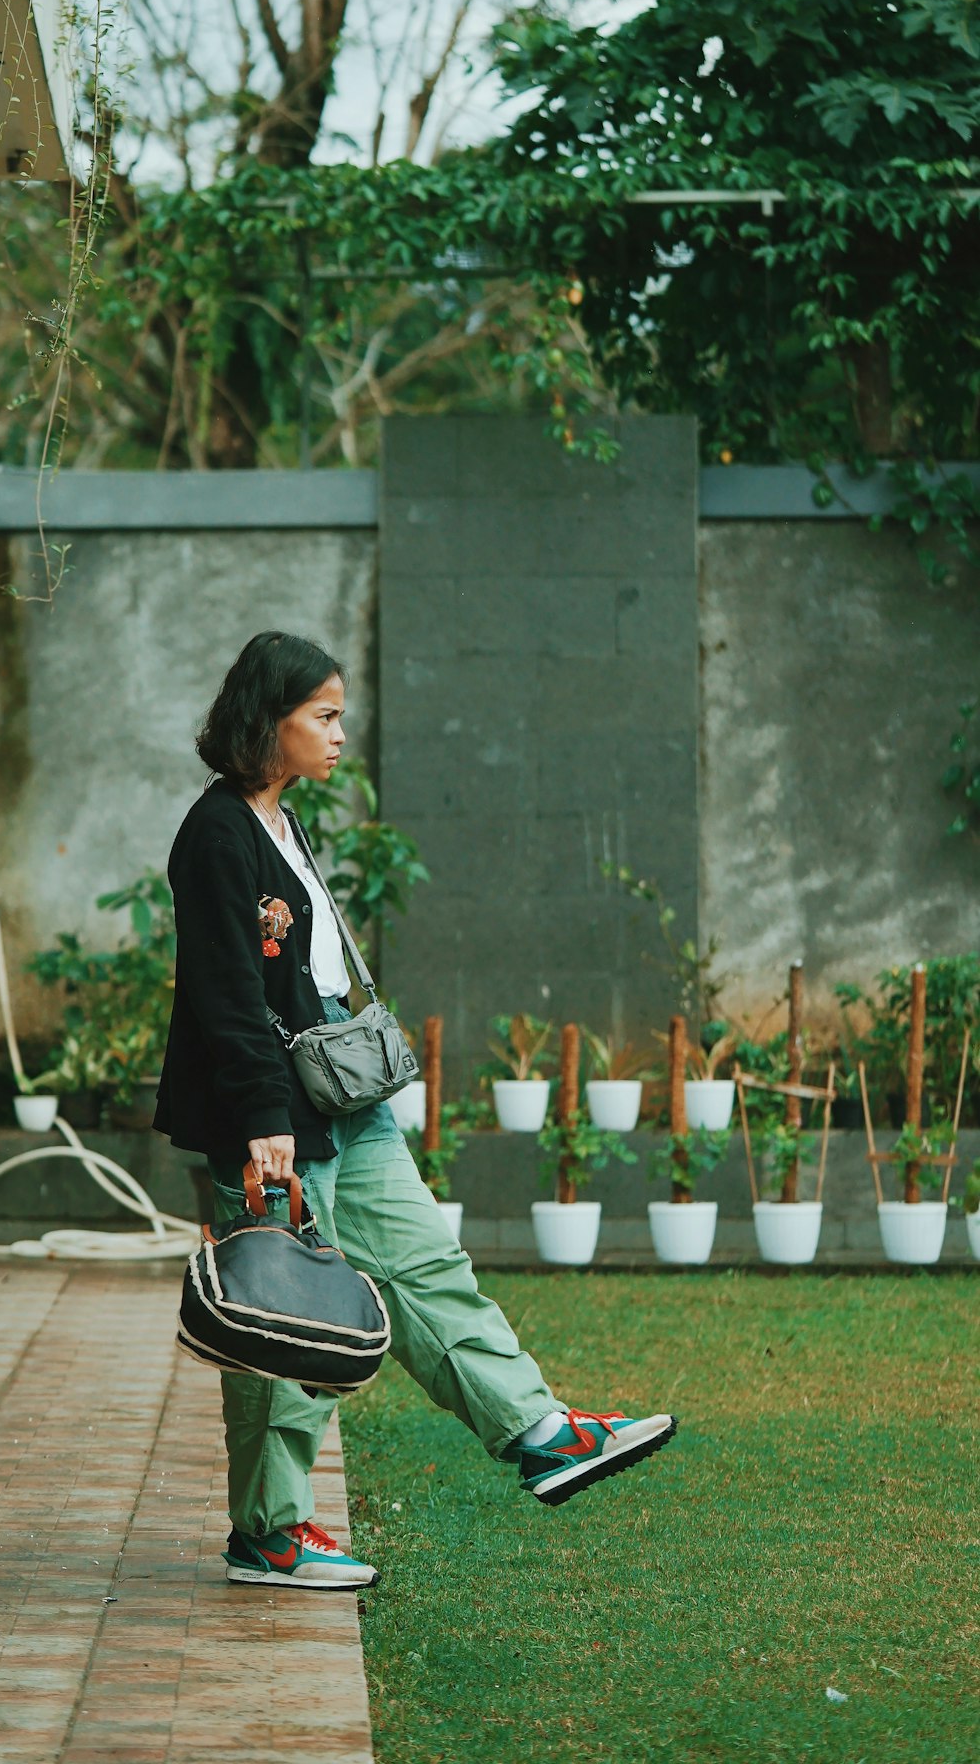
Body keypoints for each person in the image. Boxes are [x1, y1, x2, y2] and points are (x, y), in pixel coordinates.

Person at [155, 630, 676, 1591]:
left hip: (343, 1103)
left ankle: (540, 1433)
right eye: (324, 716)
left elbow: (306, 979)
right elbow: (227, 996)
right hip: (275, 1120)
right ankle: (269, 1534)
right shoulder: (216, 834)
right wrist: (265, 1125)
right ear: (268, 721)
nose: (341, 734)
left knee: (430, 1263)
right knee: (290, 1315)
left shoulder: (281, 822)